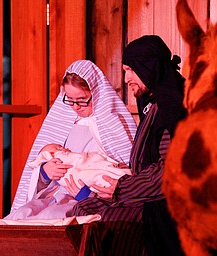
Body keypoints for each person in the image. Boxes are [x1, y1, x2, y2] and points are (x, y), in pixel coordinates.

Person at [69, 36, 187, 255]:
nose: (126, 79)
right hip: (147, 197)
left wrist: (122, 187)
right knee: (83, 211)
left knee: (98, 222)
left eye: (131, 70)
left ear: (147, 67)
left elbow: (170, 172)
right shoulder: (153, 105)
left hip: (167, 208)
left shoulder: (173, 107)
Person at [6, 60, 137, 220]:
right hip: (57, 194)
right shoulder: (62, 124)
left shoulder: (115, 128)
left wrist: (88, 196)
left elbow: (121, 177)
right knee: (20, 214)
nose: (75, 106)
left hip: (90, 200)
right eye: (70, 99)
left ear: (96, 93)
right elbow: (41, 172)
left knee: (51, 217)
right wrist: (45, 173)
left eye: (82, 100)